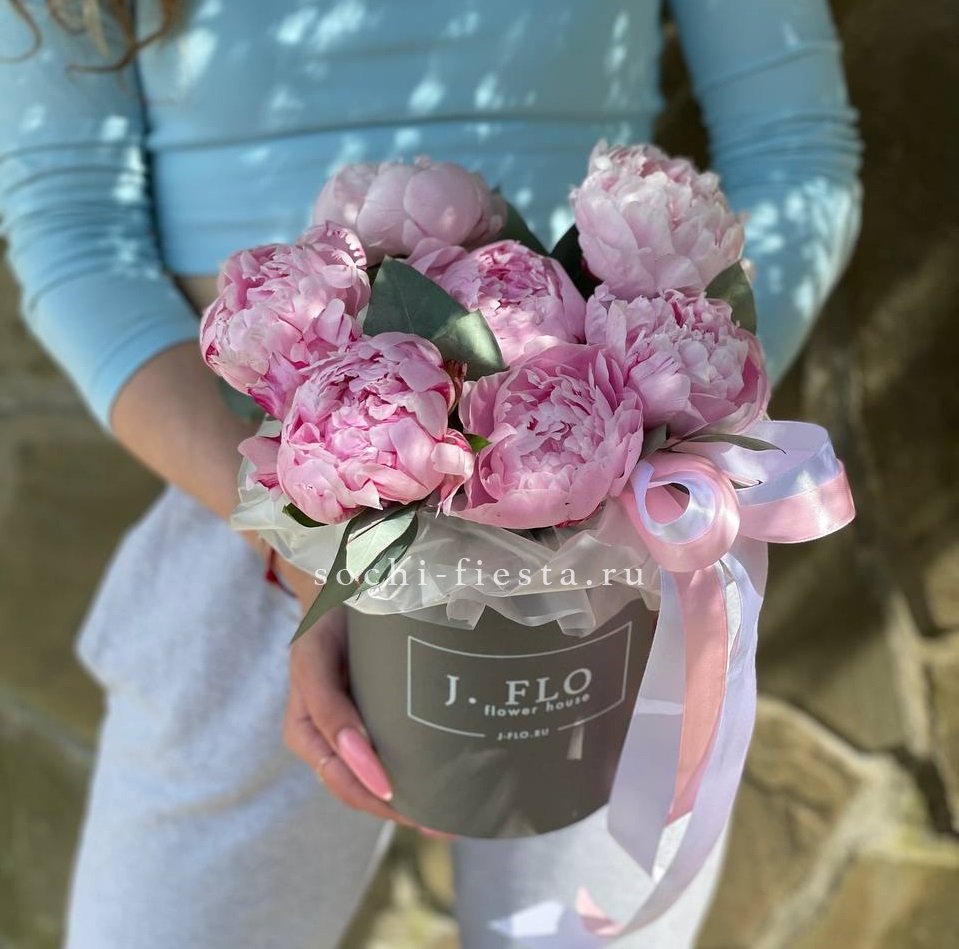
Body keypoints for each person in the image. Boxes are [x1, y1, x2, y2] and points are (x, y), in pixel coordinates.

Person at [0, 2, 862, 947]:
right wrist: (302, 541)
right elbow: (73, 231)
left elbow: (794, 151)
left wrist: (669, 427)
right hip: (252, 525)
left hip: (611, 557)